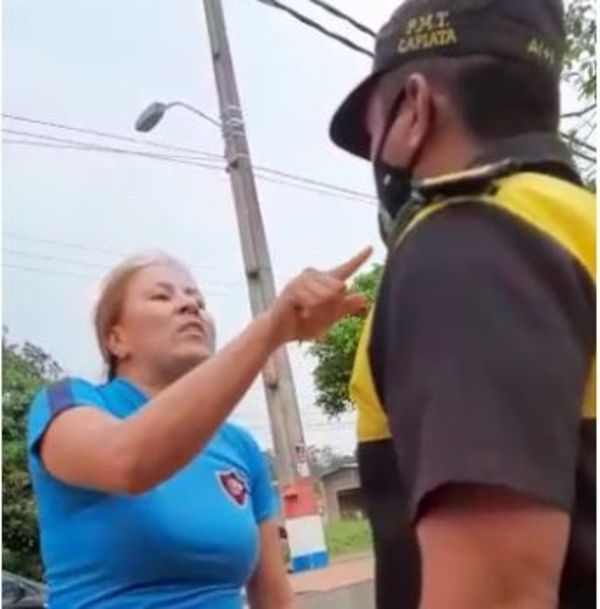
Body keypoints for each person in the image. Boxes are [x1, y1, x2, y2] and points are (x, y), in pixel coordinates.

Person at [328, 1, 595, 608]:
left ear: (416, 109)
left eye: (374, 136)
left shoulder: (467, 243)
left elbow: (497, 595)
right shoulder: (578, 229)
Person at [27, 248, 371, 609]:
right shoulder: (66, 405)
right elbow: (128, 461)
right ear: (116, 339)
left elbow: (274, 597)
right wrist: (271, 328)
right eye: (162, 296)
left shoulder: (239, 447)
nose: (190, 306)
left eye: (199, 301)